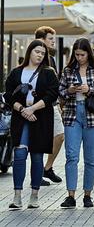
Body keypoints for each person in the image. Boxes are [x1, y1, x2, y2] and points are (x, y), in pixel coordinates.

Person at [4, 40, 59, 209]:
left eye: (43, 53)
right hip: (20, 118)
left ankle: (34, 195)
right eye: (37, 51)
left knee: (36, 156)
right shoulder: (16, 72)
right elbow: (8, 95)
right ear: (29, 52)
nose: (40, 55)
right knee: (19, 155)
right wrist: (22, 109)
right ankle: (17, 195)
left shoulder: (49, 72)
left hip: (40, 117)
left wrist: (32, 109)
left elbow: (52, 95)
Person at [59, 38, 94, 208]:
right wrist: (70, 90)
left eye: (82, 54)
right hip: (72, 115)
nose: (79, 57)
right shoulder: (68, 71)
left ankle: (87, 195)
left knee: (90, 158)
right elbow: (60, 93)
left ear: (89, 53)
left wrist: (90, 90)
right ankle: (71, 195)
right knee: (71, 156)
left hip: (93, 117)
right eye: (77, 54)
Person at [34, 26, 64, 186]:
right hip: (38, 105)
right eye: (51, 39)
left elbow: (53, 84)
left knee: (59, 136)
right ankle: (39, 173)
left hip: (51, 103)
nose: (54, 42)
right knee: (39, 140)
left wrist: (57, 102)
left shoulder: (50, 58)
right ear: (41, 40)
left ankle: (48, 167)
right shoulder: (35, 58)